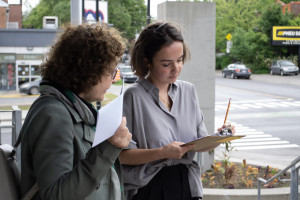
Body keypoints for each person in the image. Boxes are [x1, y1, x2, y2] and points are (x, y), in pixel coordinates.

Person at [119, 22, 235, 200]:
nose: (176, 69)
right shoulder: (133, 96)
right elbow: (121, 156)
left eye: (180, 60)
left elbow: (200, 142)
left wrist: (220, 137)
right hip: (149, 188)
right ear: (147, 62)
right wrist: (161, 153)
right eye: (166, 64)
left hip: (187, 185)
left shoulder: (188, 91)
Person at [20, 24, 132, 200]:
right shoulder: (54, 114)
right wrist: (110, 147)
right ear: (90, 71)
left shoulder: (76, 108)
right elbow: (56, 194)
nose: (112, 81)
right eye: (111, 73)